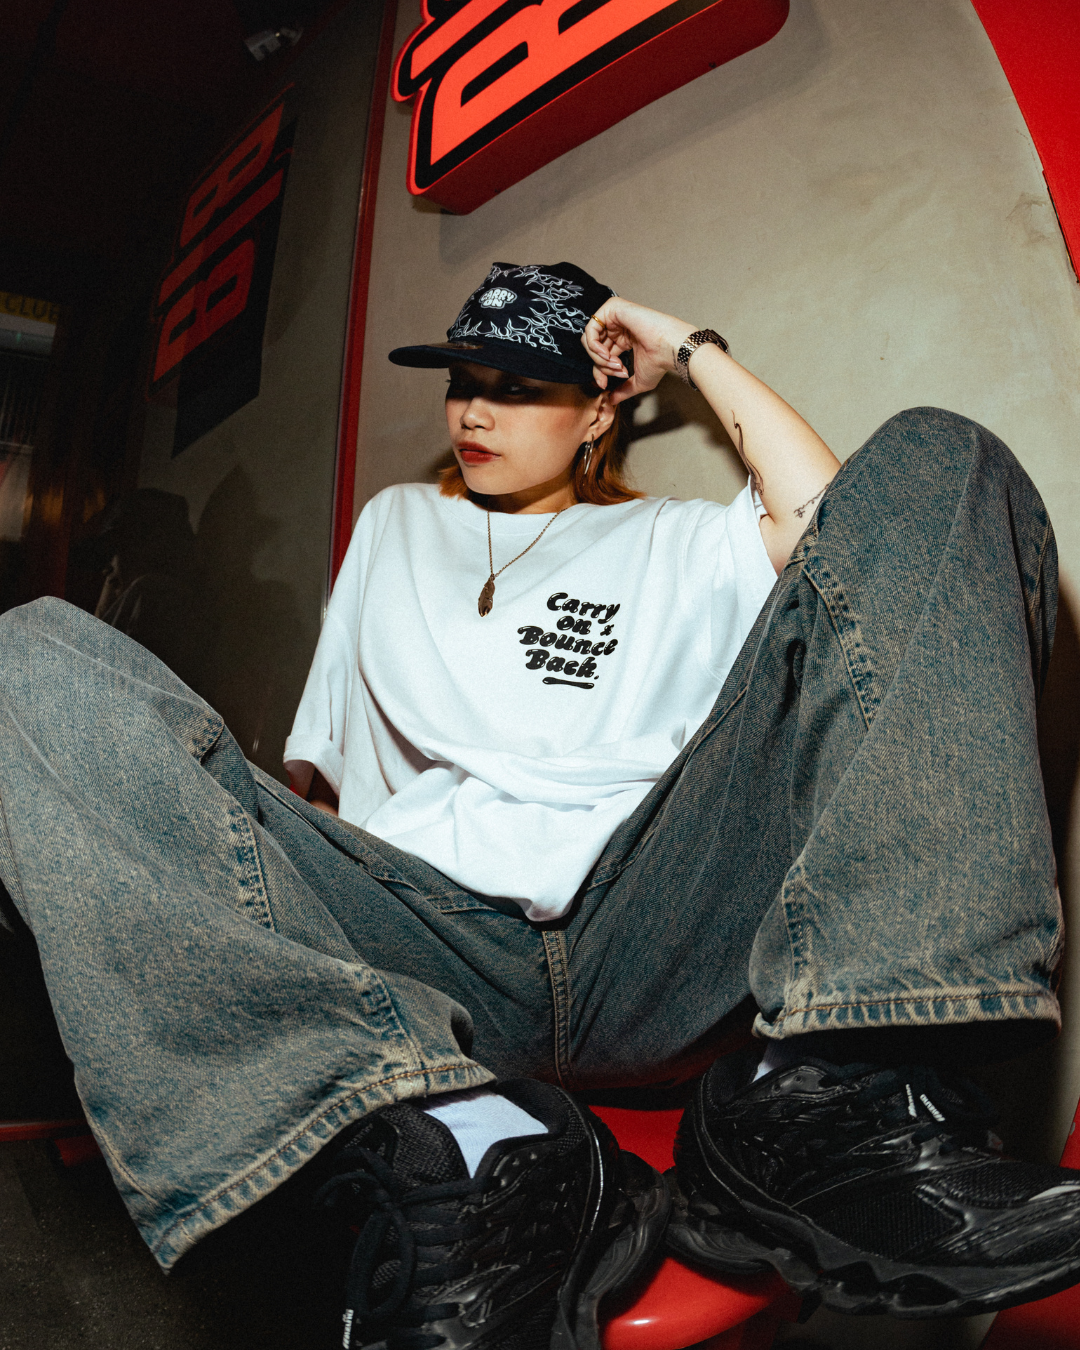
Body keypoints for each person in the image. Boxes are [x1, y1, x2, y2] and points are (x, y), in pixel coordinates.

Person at [0, 261, 1076, 1350]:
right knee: (29, 651)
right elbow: (322, 777)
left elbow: (854, 541)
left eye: (516, 388)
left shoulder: (681, 539)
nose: (474, 412)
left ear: (600, 410)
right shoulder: (396, 523)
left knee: (944, 455)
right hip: (434, 947)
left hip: (653, 925)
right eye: (463, 382)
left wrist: (689, 350)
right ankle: (458, 1138)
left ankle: (837, 1094)